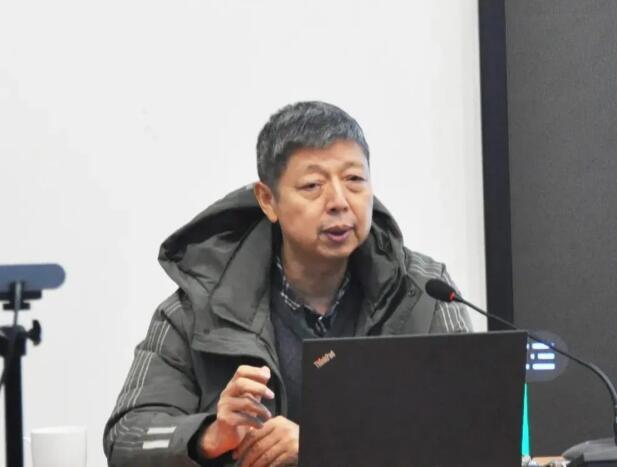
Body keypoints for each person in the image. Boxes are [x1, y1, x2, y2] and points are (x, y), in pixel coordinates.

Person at [103, 101, 472, 467]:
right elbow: (126, 437)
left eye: (354, 180)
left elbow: (473, 430)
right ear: (268, 200)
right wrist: (208, 436)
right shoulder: (200, 305)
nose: (339, 202)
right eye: (313, 185)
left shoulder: (425, 294)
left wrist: (324, 445)